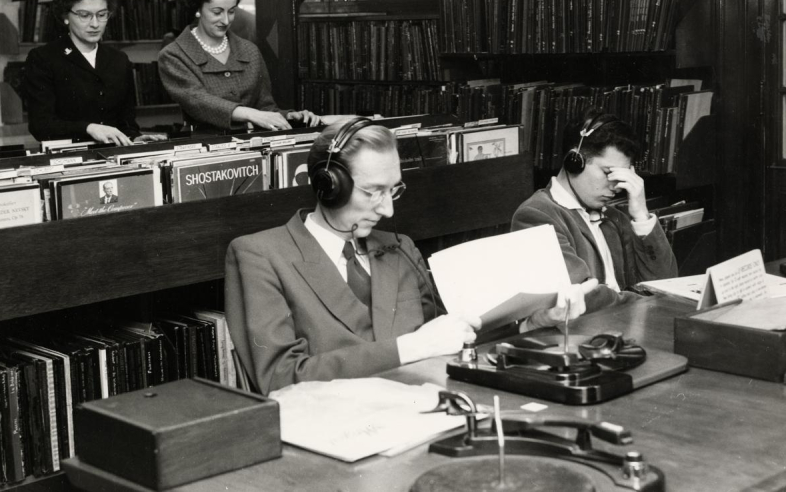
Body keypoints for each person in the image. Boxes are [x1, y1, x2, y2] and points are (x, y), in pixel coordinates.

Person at [225, 119, 595, 394]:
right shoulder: (260, 255)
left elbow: (451, 339)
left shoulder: (400, 248)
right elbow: (278, 379)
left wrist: (534, 323)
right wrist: (410, 347)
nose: (386, 210)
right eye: (372, 192)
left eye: (393, 190)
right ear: (328, 186)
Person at [511, 109, 678, 324]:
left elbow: (667, 283)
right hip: (584, 338)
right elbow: (584, 297)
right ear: (575, 161)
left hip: (625, 331)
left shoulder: (616, 217)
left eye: (622, 175)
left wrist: (641, 216)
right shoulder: (536, 215)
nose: (616, 186)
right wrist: (647, 302)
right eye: (608, 172)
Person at [158, 0, 321, 133]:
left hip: (253, 145)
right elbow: (197, 100)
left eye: (232, 11)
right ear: (198, 10)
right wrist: (250, 114)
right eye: (217, 12)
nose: (226, 20)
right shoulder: (174, 54)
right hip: (205, 148)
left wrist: (288, 117)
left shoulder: (249, 50)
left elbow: (265, 108)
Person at [21, 0, 164, 146]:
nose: (95, 24)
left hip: (115, 156)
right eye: (84, 15)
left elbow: (126, 123)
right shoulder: (43, 59)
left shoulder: (119, 59)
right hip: (70, 159)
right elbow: (40, 126)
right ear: (66, 16)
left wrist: (135, 137)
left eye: (102, 14)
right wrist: (89, 128)